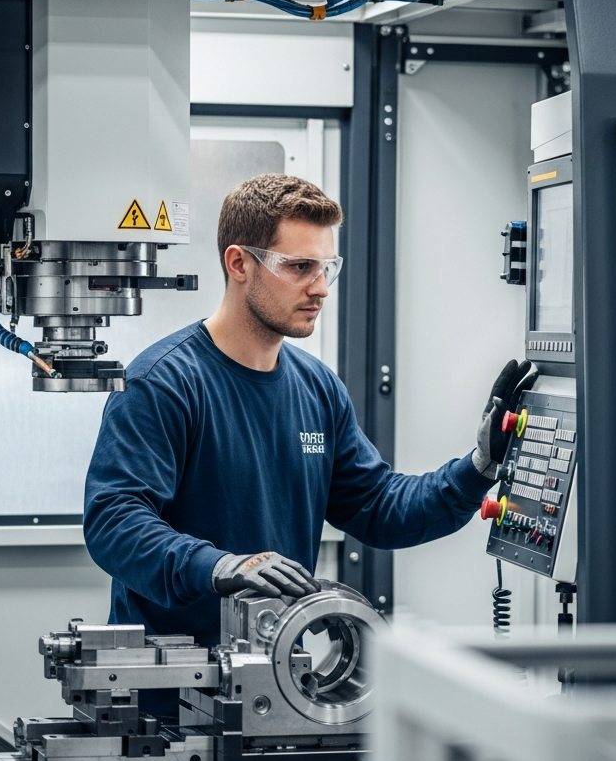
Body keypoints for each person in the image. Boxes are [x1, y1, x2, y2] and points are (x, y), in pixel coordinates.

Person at [84, 173, 534, 717]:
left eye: (327, 268)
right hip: (166, 702)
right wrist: (219, 566)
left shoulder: (316, 387)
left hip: (278, 692)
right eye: (299, 267)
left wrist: (477, 469)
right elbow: (115, 521)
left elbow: (377, 508)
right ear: (239, 263)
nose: (320, 287)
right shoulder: (163, 383)